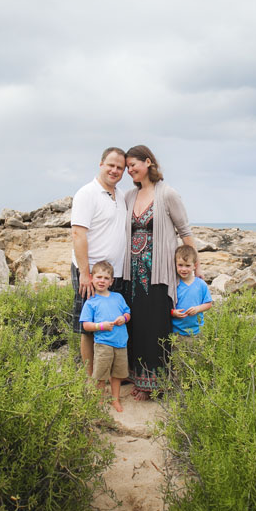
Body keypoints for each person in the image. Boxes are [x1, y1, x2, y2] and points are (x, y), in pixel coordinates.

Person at [121, 145, 200, 399]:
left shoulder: (168, 194)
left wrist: (196, 269)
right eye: (127, 167)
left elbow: (185, 232)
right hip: (133, 273)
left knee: (155, 325)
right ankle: (137, 376)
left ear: (148, 162)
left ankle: (154, 384)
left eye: (133, 165)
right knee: (136, 324)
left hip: (159, 272)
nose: (129, 170)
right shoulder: (129, 196)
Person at [71, 147, 128, 377]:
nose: (114, 170)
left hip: (115, 273)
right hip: (91, 274)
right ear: (101, 164)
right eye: (111, 165)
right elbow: (78, 233)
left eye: (120, 167)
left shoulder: (121, 196)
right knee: (88, 327)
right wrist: (85, 274)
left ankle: (110, 377)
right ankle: (90, 379)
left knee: (113, 323)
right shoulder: (87, 193)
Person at [79, 261, 131, 412]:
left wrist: (124, 318)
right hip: (103, 344)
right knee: (100, 374)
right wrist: (101, 326)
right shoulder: (91, 301)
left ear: (111, 281)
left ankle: (115, 399)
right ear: (92, 278)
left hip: (121, 343)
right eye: (99, 277)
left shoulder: (118, 297)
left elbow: (127, 313)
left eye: (106, 278)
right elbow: (86, 325)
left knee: (117, 374)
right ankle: (100, 400)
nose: (102, 281)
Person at [171, 244, 213, 339]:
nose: (184, 269)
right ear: (175, 265)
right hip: (176, 333)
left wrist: (197, 309)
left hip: (197, 332)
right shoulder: (174, 284)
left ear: (195, 265)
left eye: (188, 265)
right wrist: (173, 312)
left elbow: (208, 304)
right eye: (180, 265)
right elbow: (167, 305)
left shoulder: (201, 284)